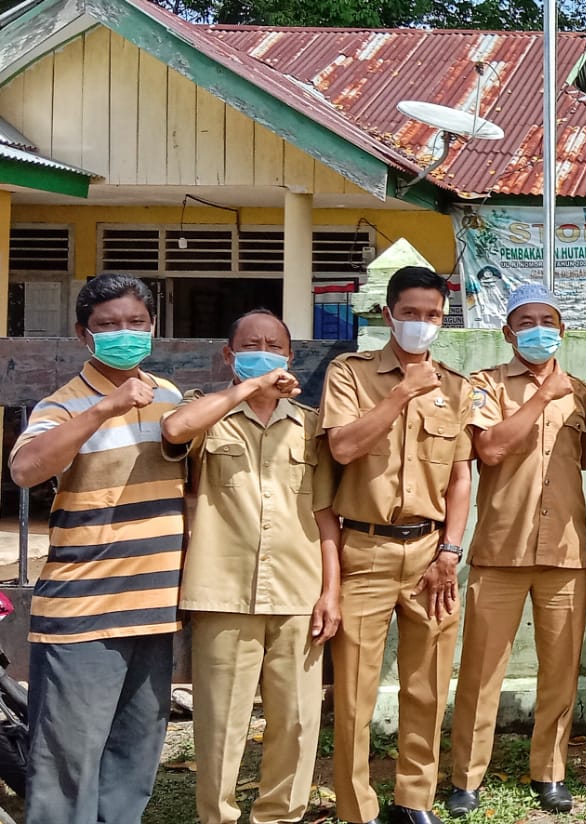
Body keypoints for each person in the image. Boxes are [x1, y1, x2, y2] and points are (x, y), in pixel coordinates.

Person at [7, 274, 185, 824]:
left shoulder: (171, 399)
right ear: (85, 336)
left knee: (134, 758)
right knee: (67, 760)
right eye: (108, 326)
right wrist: (103, 410)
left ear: (153, 327)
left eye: (136, 322)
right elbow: (25, 469)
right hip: (84, 613)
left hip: (153, 610)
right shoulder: (61, 405)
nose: (124, 333)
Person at [160, 309, 342, 824]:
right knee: (221, 722)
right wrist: (251, 386)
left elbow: (326, 513)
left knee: (298, 720)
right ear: (228, 355)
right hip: (223, 591)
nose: (263, 351)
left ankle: (279, 815)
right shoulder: (205, 412)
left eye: (274, 345)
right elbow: (174, 429)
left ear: (291, 356)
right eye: (251, 344)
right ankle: (217, 816)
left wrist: (332, 590)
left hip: (298, 591)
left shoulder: (308, 426)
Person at [320, 266, 472, 824]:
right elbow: (341, 447)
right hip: (366, 550)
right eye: (410, 313)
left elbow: (460, 478)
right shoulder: (350, 374)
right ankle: (355, 808)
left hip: (432, 553)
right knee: (355, 696)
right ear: (387, 315)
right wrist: (402, 393)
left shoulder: (457, 387)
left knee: (427, 685)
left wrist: (450, 552)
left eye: (432, 315)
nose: (421, 324)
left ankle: (414, 799)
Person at [446, 284, 586, 817]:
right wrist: (538, 399)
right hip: (500, 551)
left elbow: (582, 464)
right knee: (483, 671)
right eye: (526, 322)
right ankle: (466, 778)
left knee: (561, 671)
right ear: (508, 333)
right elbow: (489, 448)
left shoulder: (580, 391)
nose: (538, 330)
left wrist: (557, 395)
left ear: (562, 329)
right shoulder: (485, 384)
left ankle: (550, 772)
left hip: (567, 552)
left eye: (548, 320)